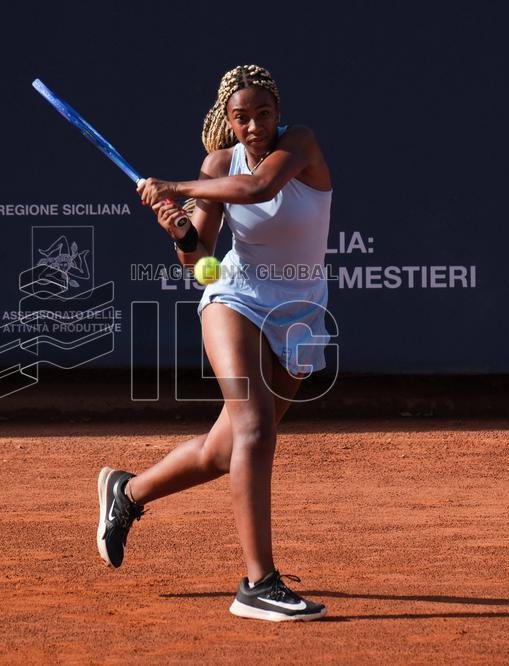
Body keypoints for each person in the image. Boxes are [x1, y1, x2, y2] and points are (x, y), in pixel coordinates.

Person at [97, 64, 333, 622]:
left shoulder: (299, 144)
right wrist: (179, 229)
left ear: (278, 113)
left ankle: (127, 493)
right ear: (228, 120)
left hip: (299, 310)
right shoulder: (216, 166)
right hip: (235, 296)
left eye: (262, 115)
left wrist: (175, 187)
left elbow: (259, 188)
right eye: (241, 117)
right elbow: (201, 262)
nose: (253, 126)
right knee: (252, 429)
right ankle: (259, 583)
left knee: (227, 451)